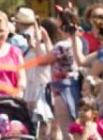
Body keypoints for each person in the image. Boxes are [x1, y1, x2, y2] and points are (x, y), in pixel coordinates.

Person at [33, 7, 83, 139]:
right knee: (73, 127)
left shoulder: (62, 45)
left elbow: (42, 60)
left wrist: (37, 40)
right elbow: (54, 55)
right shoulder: (76, 41)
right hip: (74, 88)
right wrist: (46, 38)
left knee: (66, 129)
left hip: (61, 91)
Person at [13, 7, 53, 138]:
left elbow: (44, 60)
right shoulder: (21, 43)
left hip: (40, 90)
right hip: (29, 89)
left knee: (42, 124)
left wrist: (39, 41)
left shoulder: (40, 47)